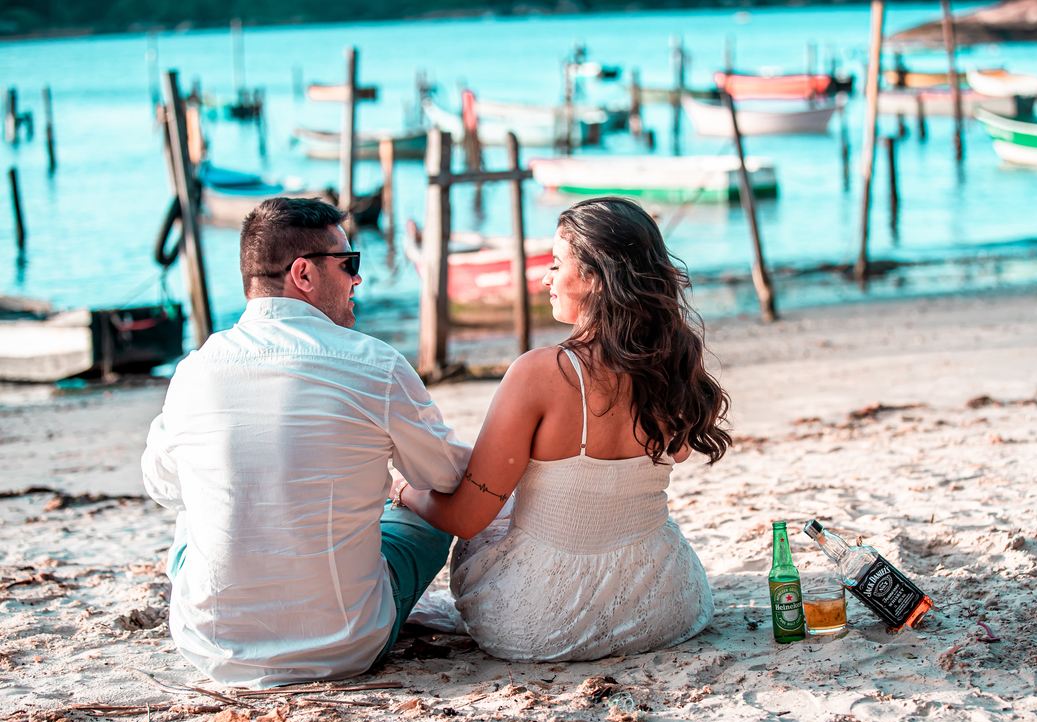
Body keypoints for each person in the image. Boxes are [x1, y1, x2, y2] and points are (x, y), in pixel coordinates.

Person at [141, 197, 470, 688]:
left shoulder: (194, 370)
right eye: (349, 263)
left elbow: (162, 488)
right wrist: (397, 491)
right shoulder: (375, 365)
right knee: (428, 514)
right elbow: (449, 477)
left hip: (212, 648)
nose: (358, 278)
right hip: (345, 644)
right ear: (304, 274)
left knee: (195, 500)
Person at [395, 196, 729, 661]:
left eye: (556, 264)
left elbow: (465, 518)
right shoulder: (671, 364)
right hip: (665, 602)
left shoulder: (540, 373)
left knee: (484, 518)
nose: (545, 277)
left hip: (540, 622)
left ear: (594, 277)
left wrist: (405, 492)